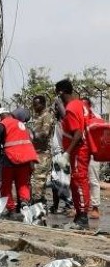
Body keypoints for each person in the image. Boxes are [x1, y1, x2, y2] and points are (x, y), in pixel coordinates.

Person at [55, 79, 91, 229]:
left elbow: (77, 133)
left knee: (79, 181)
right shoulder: (80, 104)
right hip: (81, 149)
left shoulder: (71, 108)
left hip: (78, 150)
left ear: (61, 92)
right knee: (76, 182)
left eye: (57, 92)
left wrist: (67, 153)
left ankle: (83, 216)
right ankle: (79, 215)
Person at [0, 108, 38, 217]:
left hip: (10, 158)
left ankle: (11, 210)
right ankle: (24, 204)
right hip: (26, 158)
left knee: (6, 185)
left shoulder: (2, 124)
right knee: (22, 183)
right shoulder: (20, 124)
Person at [29, 95, 56, 205]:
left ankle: (38, 203)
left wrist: (30, 135)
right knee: (34, 180)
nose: (34, 107)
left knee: (39, 180)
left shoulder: (47, 116)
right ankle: (39, 203)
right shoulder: (36, 116)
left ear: (43, 104)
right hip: (35, 152)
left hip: (43, 153)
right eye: (33, 105)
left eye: (37, 105)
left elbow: (44, 133)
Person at [82, 97, 102, 219]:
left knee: (94, 180)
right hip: (81, 151)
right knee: (80, 179)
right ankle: (81, 207)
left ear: (89, 106)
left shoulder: (97, 118)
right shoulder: (79, 116)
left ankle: (95, 207)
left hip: (94, 152)